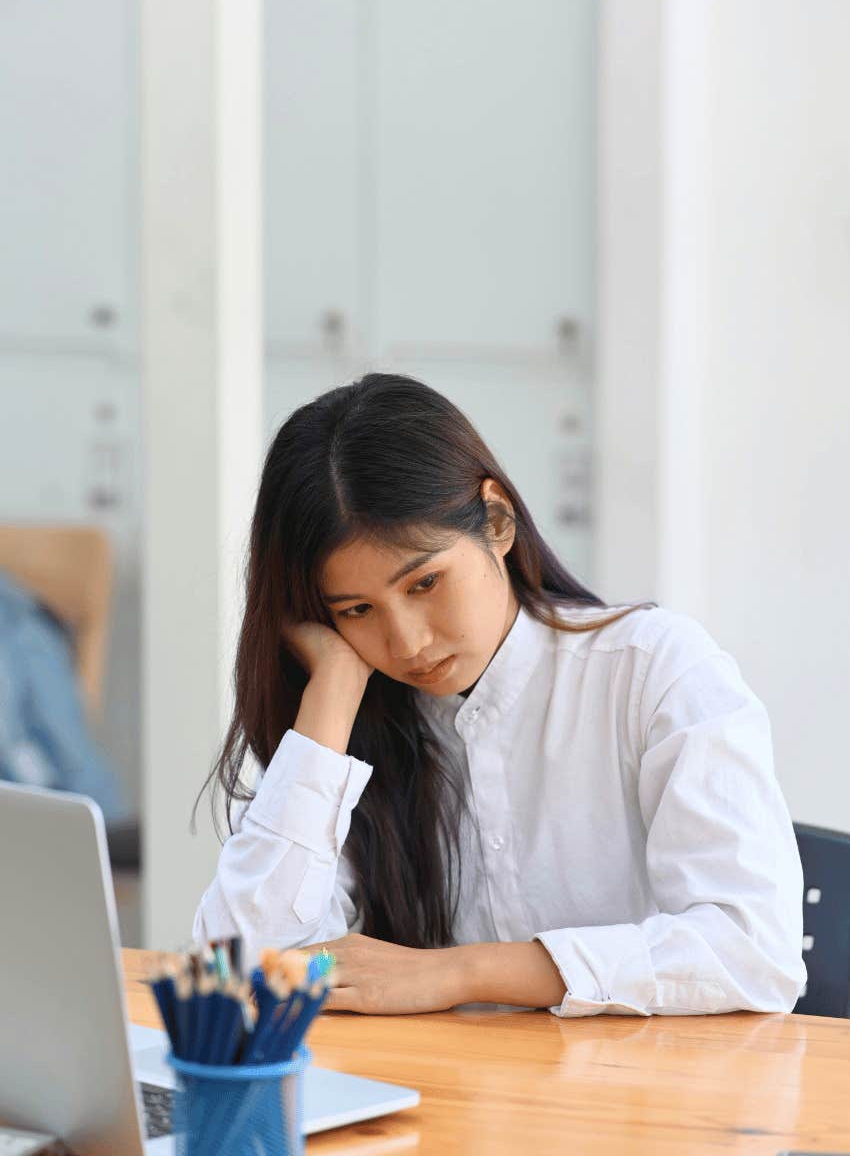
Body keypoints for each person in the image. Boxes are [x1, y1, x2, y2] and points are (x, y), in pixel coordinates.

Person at [193, 373, 806, 1018]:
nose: (405, 643)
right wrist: (331, 697)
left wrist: (461, 974)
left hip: (637, 1100)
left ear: (497, 521)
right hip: (436, 1103)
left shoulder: (653, 671)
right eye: (356, 609)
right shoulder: (336, 726)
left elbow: (753, 950)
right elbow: (240, 977)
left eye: (425, 583)